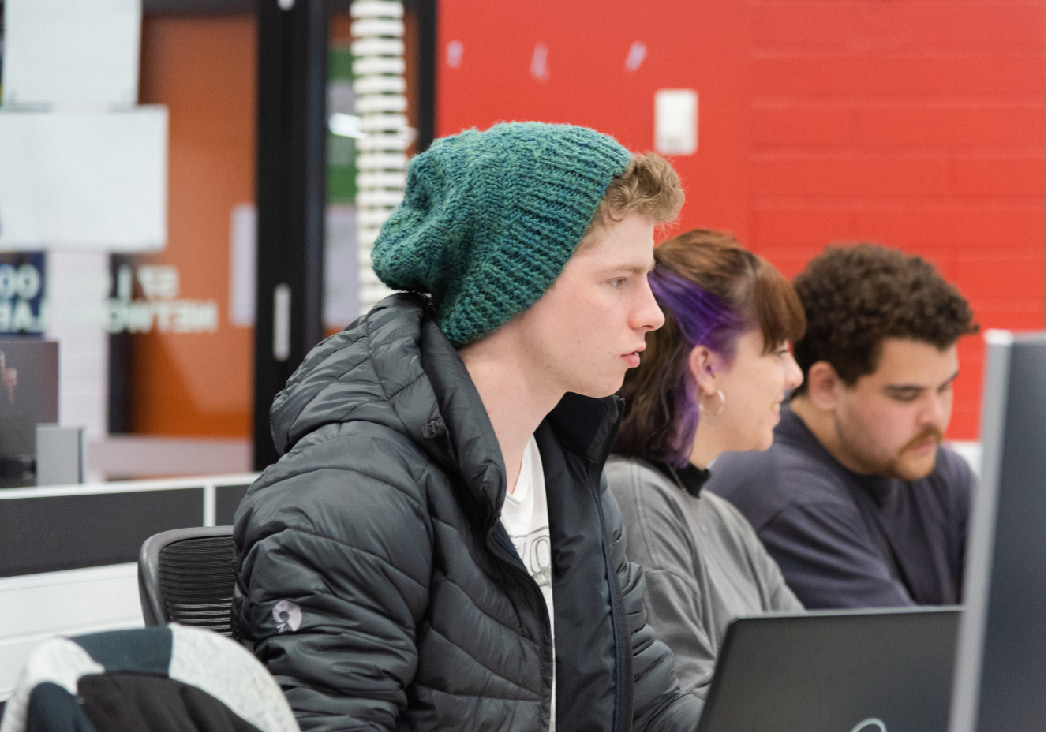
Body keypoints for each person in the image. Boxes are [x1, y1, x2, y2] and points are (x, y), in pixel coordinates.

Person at [231, 122, 702, 732]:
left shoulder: (563, 470)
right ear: (515, 288)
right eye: (618, 282)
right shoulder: (351, 498)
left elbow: (650, 704)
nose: (652, 314)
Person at [705, 243, 979, 610]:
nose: (934, 416)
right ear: (826, 387)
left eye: (944, 388)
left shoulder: (940, 471)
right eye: (906, 395)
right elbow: (912, 658)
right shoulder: (785, 497)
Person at [605, 230, 806, 698]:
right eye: (777, 352)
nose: (793, 376)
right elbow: (683, 700)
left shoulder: (723, 518)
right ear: (707, 367)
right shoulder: (635, 493)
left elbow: (816, 667)